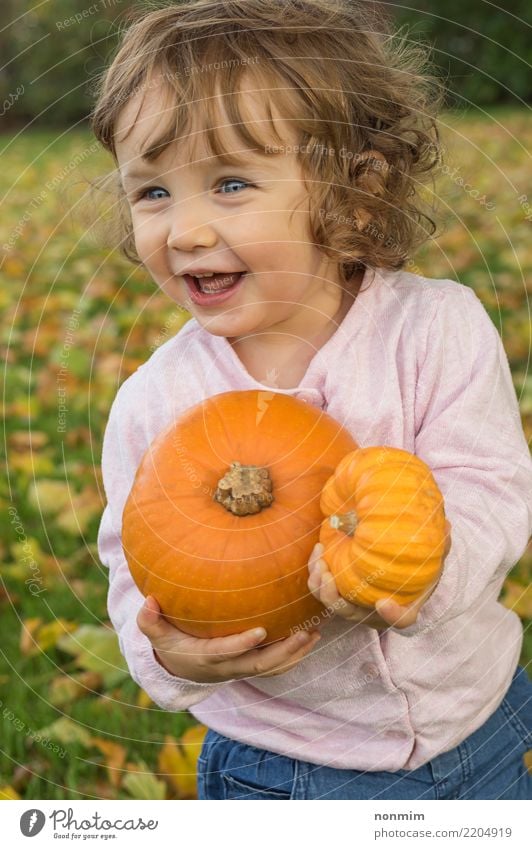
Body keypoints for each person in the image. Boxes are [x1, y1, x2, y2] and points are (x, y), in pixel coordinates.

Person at [92, 0, 532, 799]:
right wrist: (168, 651)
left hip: (485, 727)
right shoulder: (154, 401)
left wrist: (412, 576)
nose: (184, 230)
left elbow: (491, 487)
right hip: (282, 767)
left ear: (355, 192)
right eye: (152, 192)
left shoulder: (433, 329)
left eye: (230, 183)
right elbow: (135, 568)